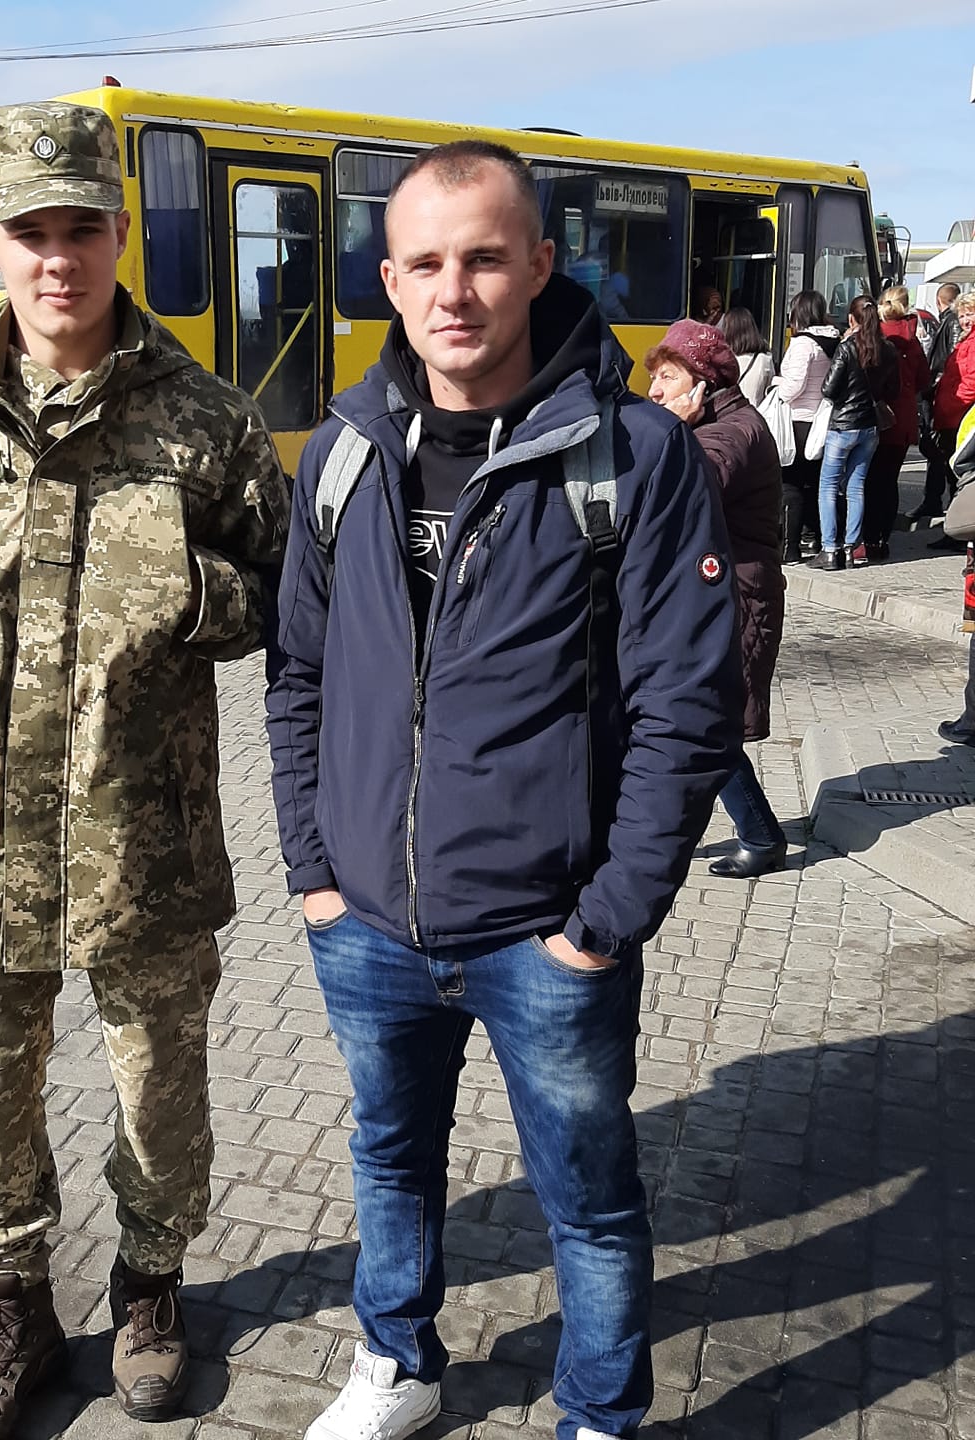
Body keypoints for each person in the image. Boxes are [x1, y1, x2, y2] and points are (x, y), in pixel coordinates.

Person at [266, 140, 742, 1440]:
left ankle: (598, 1410)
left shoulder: (631, 460)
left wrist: (604, 923)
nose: (455, 289)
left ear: (539, 263)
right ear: (389, 281)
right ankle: (399, 1364)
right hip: (369, 927)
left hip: (548, 936)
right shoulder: (341, 455)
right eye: (426, 262)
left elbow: (683, 712)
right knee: (390, 1161)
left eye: (484, 256)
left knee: (586, 1193)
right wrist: (315, 872)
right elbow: (296, 675)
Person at [0, 102, 289, 1440]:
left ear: (119, 232)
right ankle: (11, 1316)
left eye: (81, 228)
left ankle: (152, 1293)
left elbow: (280, 594)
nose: (57, 258)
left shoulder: (206, 418)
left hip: (146, 836)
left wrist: (183, 588)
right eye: (29, 232)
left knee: (161, 1086)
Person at [646, 321, 787, 877]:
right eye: (653, 377)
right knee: (699, 719)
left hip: (739, 601)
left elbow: (687, 489)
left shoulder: (732, 432)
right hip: (720, 595)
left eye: (667, 377)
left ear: (701, 382)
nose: (654, 390)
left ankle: (761, 834)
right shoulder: (720, 422)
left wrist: (672, 434)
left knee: (711, 724)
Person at [815, 293, 897, 569]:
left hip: (843, 426)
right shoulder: (887, 349)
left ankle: (829, 550)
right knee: (856, 486)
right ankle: (851, 548)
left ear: (852, 318)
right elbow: (893, 390)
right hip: (870, 427)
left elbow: (828, 389)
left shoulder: (847, 347)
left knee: (828, 485)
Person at [773, 290, 841, 561]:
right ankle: (814, 537)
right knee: (813, 483)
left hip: (799, 420)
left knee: (790, 484)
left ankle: (789, 548)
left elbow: (793, 387)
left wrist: (775, 384)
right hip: (821, 420)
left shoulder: (803, 344)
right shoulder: (833, 340)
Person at [864, 286, 931, 559]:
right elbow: (924, 381)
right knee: (889, 480)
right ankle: (883, 538)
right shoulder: (913, 340)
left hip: (879, 417)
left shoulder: (876, 336)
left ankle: (868, 538)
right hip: (903, 419)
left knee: (869, 480)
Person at [912, 282, 965, 519]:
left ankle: (944, 507)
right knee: (937, 452)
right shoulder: (950, 322)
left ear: (939, 301)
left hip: (949, 402)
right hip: (943, 397)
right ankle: (934, 500)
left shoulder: (952, 322)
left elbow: (955, 366)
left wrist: (939, 394)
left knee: (943, 454)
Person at [928, 294, 975, 549]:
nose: (966, 320)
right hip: (953, 417)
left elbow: (971, 384)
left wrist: (948, 405)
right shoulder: (965, 341)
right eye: (962, 315)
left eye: (970, 314)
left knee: (961, 477)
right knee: (954, 477)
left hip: (962, 418)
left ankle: (961, 532)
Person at [723, 306, 773, 406]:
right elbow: (769, 389)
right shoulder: (765, 359)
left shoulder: (724, 360)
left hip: (731, 416)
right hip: (756, 416)